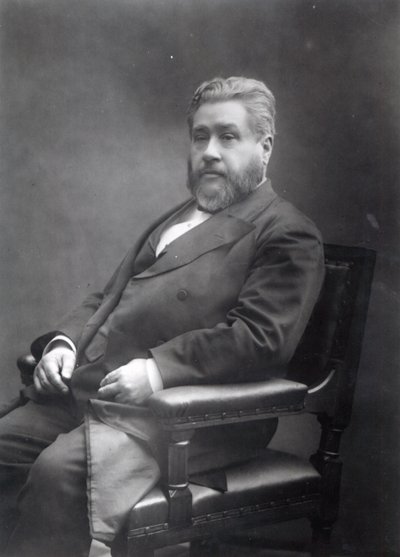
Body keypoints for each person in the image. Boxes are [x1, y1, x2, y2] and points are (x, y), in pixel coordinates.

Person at [0, 76, 324, 557]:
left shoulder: (286, 232)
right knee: (4, 447)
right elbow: (109, 297)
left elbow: (260, 338)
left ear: (265, 147)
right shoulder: (178, 217)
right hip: (98, 395)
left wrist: (157, 371)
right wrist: (63, 344)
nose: (209, 152)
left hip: (188, 421)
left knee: (58, 474)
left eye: (228, 137)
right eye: (200, 137)